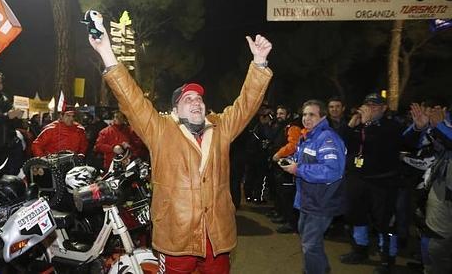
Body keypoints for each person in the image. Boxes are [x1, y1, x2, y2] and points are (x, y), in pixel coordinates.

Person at [90, 29, 273, 273]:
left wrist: (259, 62)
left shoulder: (221, 127)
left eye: (199, 98)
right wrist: (106, 52)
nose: (196, 102)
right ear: (176, 109)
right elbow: (131, 100)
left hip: (216, 236)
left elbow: (247, 105)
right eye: (189, 99)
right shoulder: (160, 130)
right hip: (177, 236)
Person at [340, 93, 405, 274]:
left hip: (382, 183)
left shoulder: (392, 127)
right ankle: (360, 249)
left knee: (385, 222)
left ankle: (387, 259)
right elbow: (342, 143)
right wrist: (349, 126)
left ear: (384, 108)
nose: (370, 108)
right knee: (356, 215)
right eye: (367, 105)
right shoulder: (358, 124)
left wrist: (367, 124)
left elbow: (378, 146)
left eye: (375, 105)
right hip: (357, 179)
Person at [281, 99, 346, 274]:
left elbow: (333, 170)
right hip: (307, 200)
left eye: (312, 114)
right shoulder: (308, 136)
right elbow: (308, 160)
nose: (306, 118)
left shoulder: (327, 138)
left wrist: (299, 169)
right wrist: (293, 163)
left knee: (309, 245)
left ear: (322, 116)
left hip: (321, 202)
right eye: (304, 114)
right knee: (311, 243)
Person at [404, 101, 451, 274]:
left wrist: (440, 127)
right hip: (442, 192)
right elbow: (409, 142)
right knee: (435, 243)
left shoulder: (442, 123)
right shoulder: (445, 120)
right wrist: (419, 127)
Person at [270, 105, 302, 234]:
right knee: (282, 193)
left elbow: (293, 145)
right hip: (281, 164)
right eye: (278, 113)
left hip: (287, 164)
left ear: (288, 114)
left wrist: (279, 154)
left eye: (282, 113)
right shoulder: (281, 126)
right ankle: (285, 216)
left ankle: (292, 223)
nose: (279, 116)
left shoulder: (293, 127)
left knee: (288, 194)